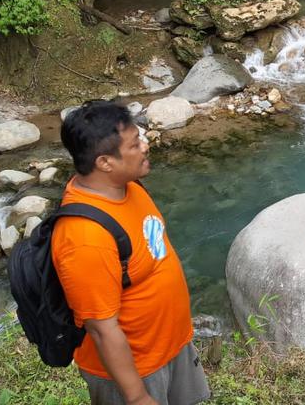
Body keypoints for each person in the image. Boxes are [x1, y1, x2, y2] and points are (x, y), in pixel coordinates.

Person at [52, 100, 210, 405]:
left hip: (170, 346)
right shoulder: (84, 238)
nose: (146, 145)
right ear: (105, 163)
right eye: (135, 143)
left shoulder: (127, 186)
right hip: (135, 371)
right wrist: (137, 397)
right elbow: (101, 330)